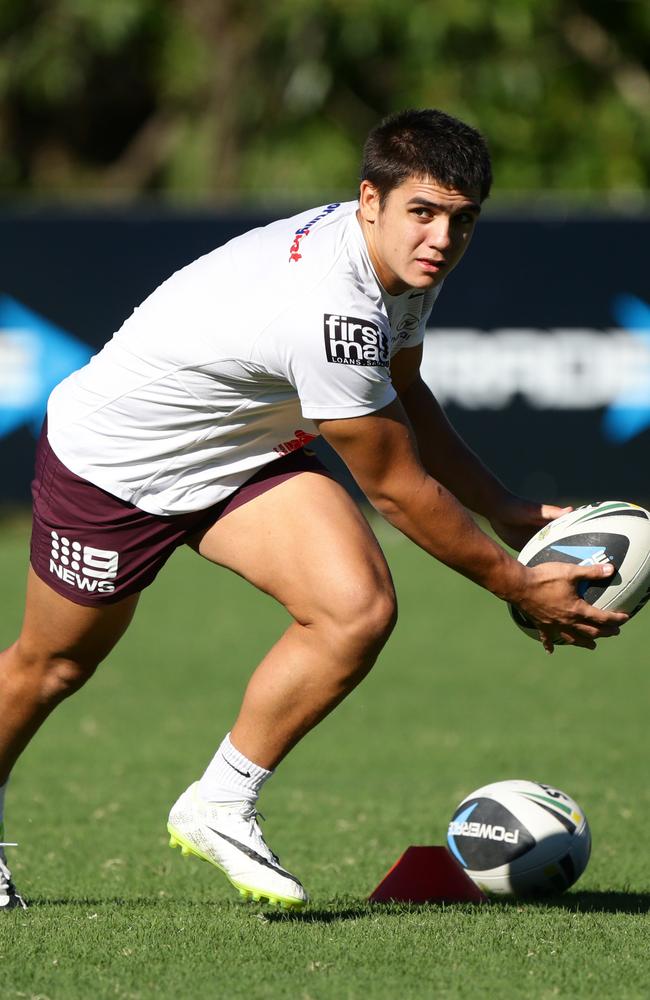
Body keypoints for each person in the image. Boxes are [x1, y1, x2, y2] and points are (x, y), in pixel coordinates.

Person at [0, 109, 626, 912]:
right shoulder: (331, 306)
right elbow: (396, 488)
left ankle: (220, 802)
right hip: (115, 465)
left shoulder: (400, 267)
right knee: (54, 666)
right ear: (370, 200)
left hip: (240, 452)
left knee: (355, 608)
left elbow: (405, 391)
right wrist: (517, 584)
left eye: (462, 220)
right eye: (423, 213)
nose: (441, 237)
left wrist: (503, 506)